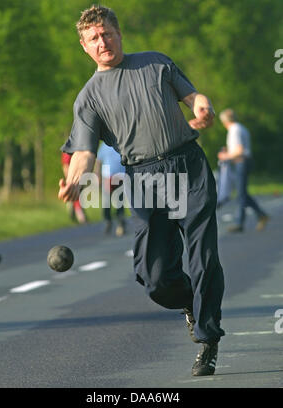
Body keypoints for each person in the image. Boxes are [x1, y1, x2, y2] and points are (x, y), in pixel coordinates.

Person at [58, 5, 225, 376]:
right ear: (84, 47)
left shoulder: (155, 63)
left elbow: (194, 98)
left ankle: (207, 337)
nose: (102, 42)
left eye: (107, 33)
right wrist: (75, 181)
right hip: (144, 179)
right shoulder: (88, 98)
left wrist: (205, 109)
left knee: (203, 256)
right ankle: (189, 304)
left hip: (187, 164)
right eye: (93, 38)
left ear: (118, 33)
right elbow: (84, 153)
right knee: (153, 277)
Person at [218, 109, 269, 232]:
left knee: (241, 193)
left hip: (241, 162)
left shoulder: (234, 130)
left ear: (225, 121)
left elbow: (239, 150)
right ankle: (261, 215)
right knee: (243, 193)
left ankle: (240, 223)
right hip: (243, 162)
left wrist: (225, 156)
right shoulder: (241, 128)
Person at [95, 142, 126, 236]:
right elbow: (98, 161)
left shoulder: (122, 142)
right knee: (106, 202)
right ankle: (108, 221)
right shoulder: (104, 145)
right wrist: (97, 175)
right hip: (107, 176)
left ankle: (121, 223)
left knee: (119, 202)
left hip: (120, 176)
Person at [61, 152, 87, 224]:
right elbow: (65, 166)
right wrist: (69, 179)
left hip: (78, 177)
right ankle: (80, 217)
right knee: (75, 198)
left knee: (78, 197)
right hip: (72, 178)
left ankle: (79, 216)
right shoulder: (68, 151)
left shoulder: (78, 150)